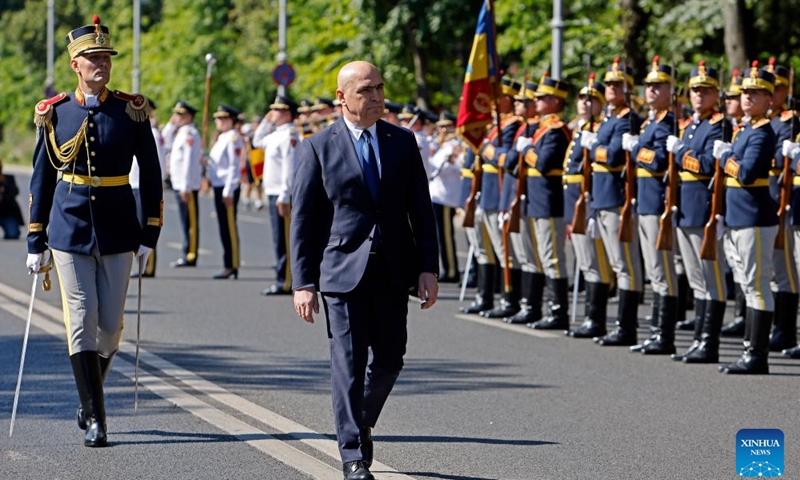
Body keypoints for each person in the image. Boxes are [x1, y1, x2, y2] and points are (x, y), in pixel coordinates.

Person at [291, 61, 438, 480]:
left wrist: (428, 267)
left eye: (379, 89)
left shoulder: (402, 141)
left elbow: (421, 211)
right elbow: (302, 221)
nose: (375, 97)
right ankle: (352, 453)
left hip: (393, 268)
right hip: (341, 271)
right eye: (364, 91)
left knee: (391, 358)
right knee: (349, 362)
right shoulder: (318, 146)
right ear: (342, 98)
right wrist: (303, 282)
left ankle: (361, 420)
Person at [26, 15, 162, 447]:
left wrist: (150, 234)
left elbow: (153, 176)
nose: (101, 63)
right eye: (92, 58)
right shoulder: (56, 113)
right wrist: (35, 238)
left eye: (105, 57)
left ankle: (88, 399)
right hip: (68, 229)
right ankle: (98, 419)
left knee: (109, 328)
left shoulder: (131, 111)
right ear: (75, 65)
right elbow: (41, 179)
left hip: (119, 226)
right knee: (81, 320)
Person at [715, 63, 778, 374]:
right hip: (739, 217)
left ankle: (757, 354)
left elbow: (747, 172)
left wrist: (725, 155)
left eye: (756, 93)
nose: (748, 97)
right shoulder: (745, 130)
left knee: (757, 285)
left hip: (754, 217)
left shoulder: (763, 132)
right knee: (747, 282)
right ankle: (749, 351)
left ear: (769, 100)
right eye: (746, 93)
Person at [667, 61, 730, 363]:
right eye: (695, 91)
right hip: (685, 208)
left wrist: (680, 153)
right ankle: (698, 341)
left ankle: (709, 343)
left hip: (703, 208)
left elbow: (706, 165)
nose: (699, 95)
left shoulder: (719, 124)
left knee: (711, 278)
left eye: (705, 91)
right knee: (695, 279)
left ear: (716, 94)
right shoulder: (690, 125)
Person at [580, 58, 644, 346]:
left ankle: (626, 327)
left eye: (616, 85)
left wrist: (593, 145)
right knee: (613, 263)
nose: (609, 88)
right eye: (607, 84)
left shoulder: (627, 120)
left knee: (624, 265)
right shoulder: (608, 119)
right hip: (601, 197)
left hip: (617, 198)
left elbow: (615, 155)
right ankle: (610, 323)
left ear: (628, 90)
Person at [622, 56, 679, 355]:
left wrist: (637, 150)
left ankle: (664, 334)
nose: (652, 91)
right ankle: (656, 331)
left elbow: (658, 162)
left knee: (662, 270)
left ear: (671, 90)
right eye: (649, 86)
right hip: (644, 201)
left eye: (659, 86)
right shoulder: (650, 121)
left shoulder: (669, 121)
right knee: (654, 270)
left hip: (657, 202)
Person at [514, 72, 572, 330]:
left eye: (542, 97)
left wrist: (526, 149)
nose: (536, 101)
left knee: (551, 258)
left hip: (548, 200)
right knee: (533, 256)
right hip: (533, 200)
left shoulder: (556, 131)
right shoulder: (539, 129)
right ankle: (533, 306)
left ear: (556, 102)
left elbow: (546, 163)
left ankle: (557, 311)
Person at [253, 96, 299, 296]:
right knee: (278, 238)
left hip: (282, 193)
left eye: (278, 110)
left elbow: (290, 167)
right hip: (272, 192)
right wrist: (267, 121)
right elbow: (256, 141)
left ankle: (287, 280)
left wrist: (285, 195)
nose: (274, 113)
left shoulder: (290, 134)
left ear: (288, 113)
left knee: (285, 238)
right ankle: (282, 278)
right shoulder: (276, 134)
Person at [130, 98, 166, 277]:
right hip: (133, 183)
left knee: (147, 225)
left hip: (143, 185)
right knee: (137, 225)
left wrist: (158, 184)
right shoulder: (131, 129)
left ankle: (148, 265)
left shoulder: (153, 132)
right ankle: (141, 263)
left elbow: (156, 163)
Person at [207, 104, 244, 279]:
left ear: (232, 120)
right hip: (218, 185)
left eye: (223, 118)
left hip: (227, 188)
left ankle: (232, 264)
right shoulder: (222, 138)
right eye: (218, 118)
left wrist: (229, 190)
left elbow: (233, 167)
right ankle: (228, 263)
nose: (219, 121)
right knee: (223, 227)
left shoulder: (233, 138)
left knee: (229, 227)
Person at [167, 101, 203, 268]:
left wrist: (186, 187)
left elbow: (188, 162)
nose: (177, 117)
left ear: (189, 117)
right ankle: (187, 251)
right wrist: (170, 124)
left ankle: (190, 253)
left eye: (180, 115)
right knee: (184, 220)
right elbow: (165, 139)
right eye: (176, 114)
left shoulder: (190, 133)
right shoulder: (180, 132)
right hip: (179, 184)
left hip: (185, 185)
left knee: (190, 222)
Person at [0, 160, 24, 239]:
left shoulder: (8, 178)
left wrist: (4, 190)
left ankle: (14, 227)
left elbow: (16, 191)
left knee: (12, 234)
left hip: (7, 213)